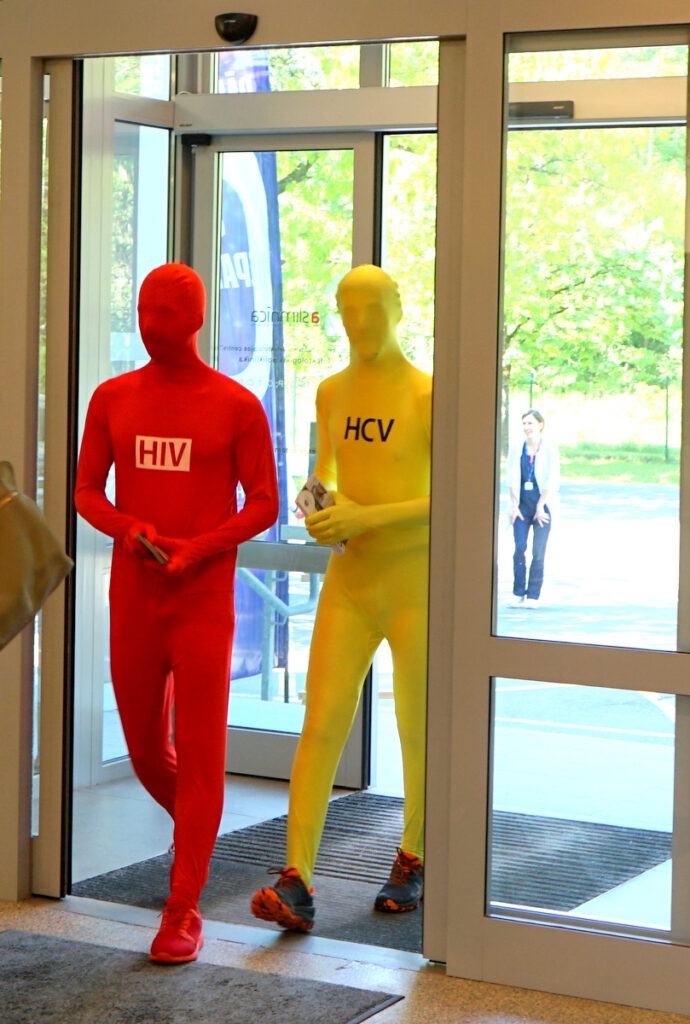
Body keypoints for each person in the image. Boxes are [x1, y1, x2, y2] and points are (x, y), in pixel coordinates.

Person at [74, 263, 278, 962]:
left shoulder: (235, 405)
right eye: (143, 310)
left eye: (165, 312)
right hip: (135, 599)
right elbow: (86, 491)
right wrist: (128, 527)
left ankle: (182, 907)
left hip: (202, 604)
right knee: (143, 751)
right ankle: (200, 833)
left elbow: (264, 502)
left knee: (200, 757)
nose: (150, 324)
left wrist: (200, 548)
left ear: (195, 320)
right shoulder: (112, 398)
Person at [251, 264, 431, 932]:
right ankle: (296, 878)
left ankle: (415, 855)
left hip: (415, 584)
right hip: (351, 580)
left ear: (398, 309)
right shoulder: (331, 391)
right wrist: (319, 509)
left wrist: (365, 517)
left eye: (372, 310)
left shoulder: (427, 394)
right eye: (348, 311)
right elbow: (320, 475)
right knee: (321, 723)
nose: (359, 324)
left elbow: (455, 497)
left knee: (416, 726)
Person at [506, 408, 560, 608]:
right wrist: (514, 506)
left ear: (540, 425)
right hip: (521, 505)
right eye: (524, 423)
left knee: (538, 551)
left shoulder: (549, 448)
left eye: (530, 423)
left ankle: (533, 596)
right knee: (520, 547)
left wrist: (540, 506)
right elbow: (510, 478)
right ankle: (518, 592)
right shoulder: (516, 448)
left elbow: (552, 479)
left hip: (542, 506)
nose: (527, 427)